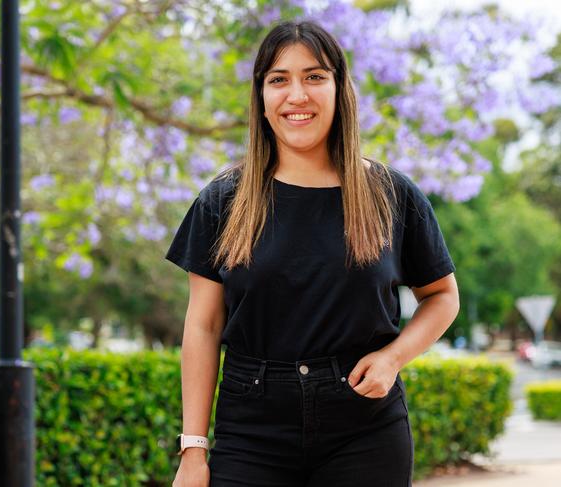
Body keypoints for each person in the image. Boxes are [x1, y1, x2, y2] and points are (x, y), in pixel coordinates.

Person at [165, 19, 459, 487]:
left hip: (364, 427)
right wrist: (193, 451)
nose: (296, 95)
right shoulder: (222, 201)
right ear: (261, 98)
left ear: (340, 90)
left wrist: (392, 358)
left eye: (315, 76)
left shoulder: (391, 195)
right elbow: (203, 326)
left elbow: (443, 296)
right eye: (278, 79)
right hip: (251, 429)